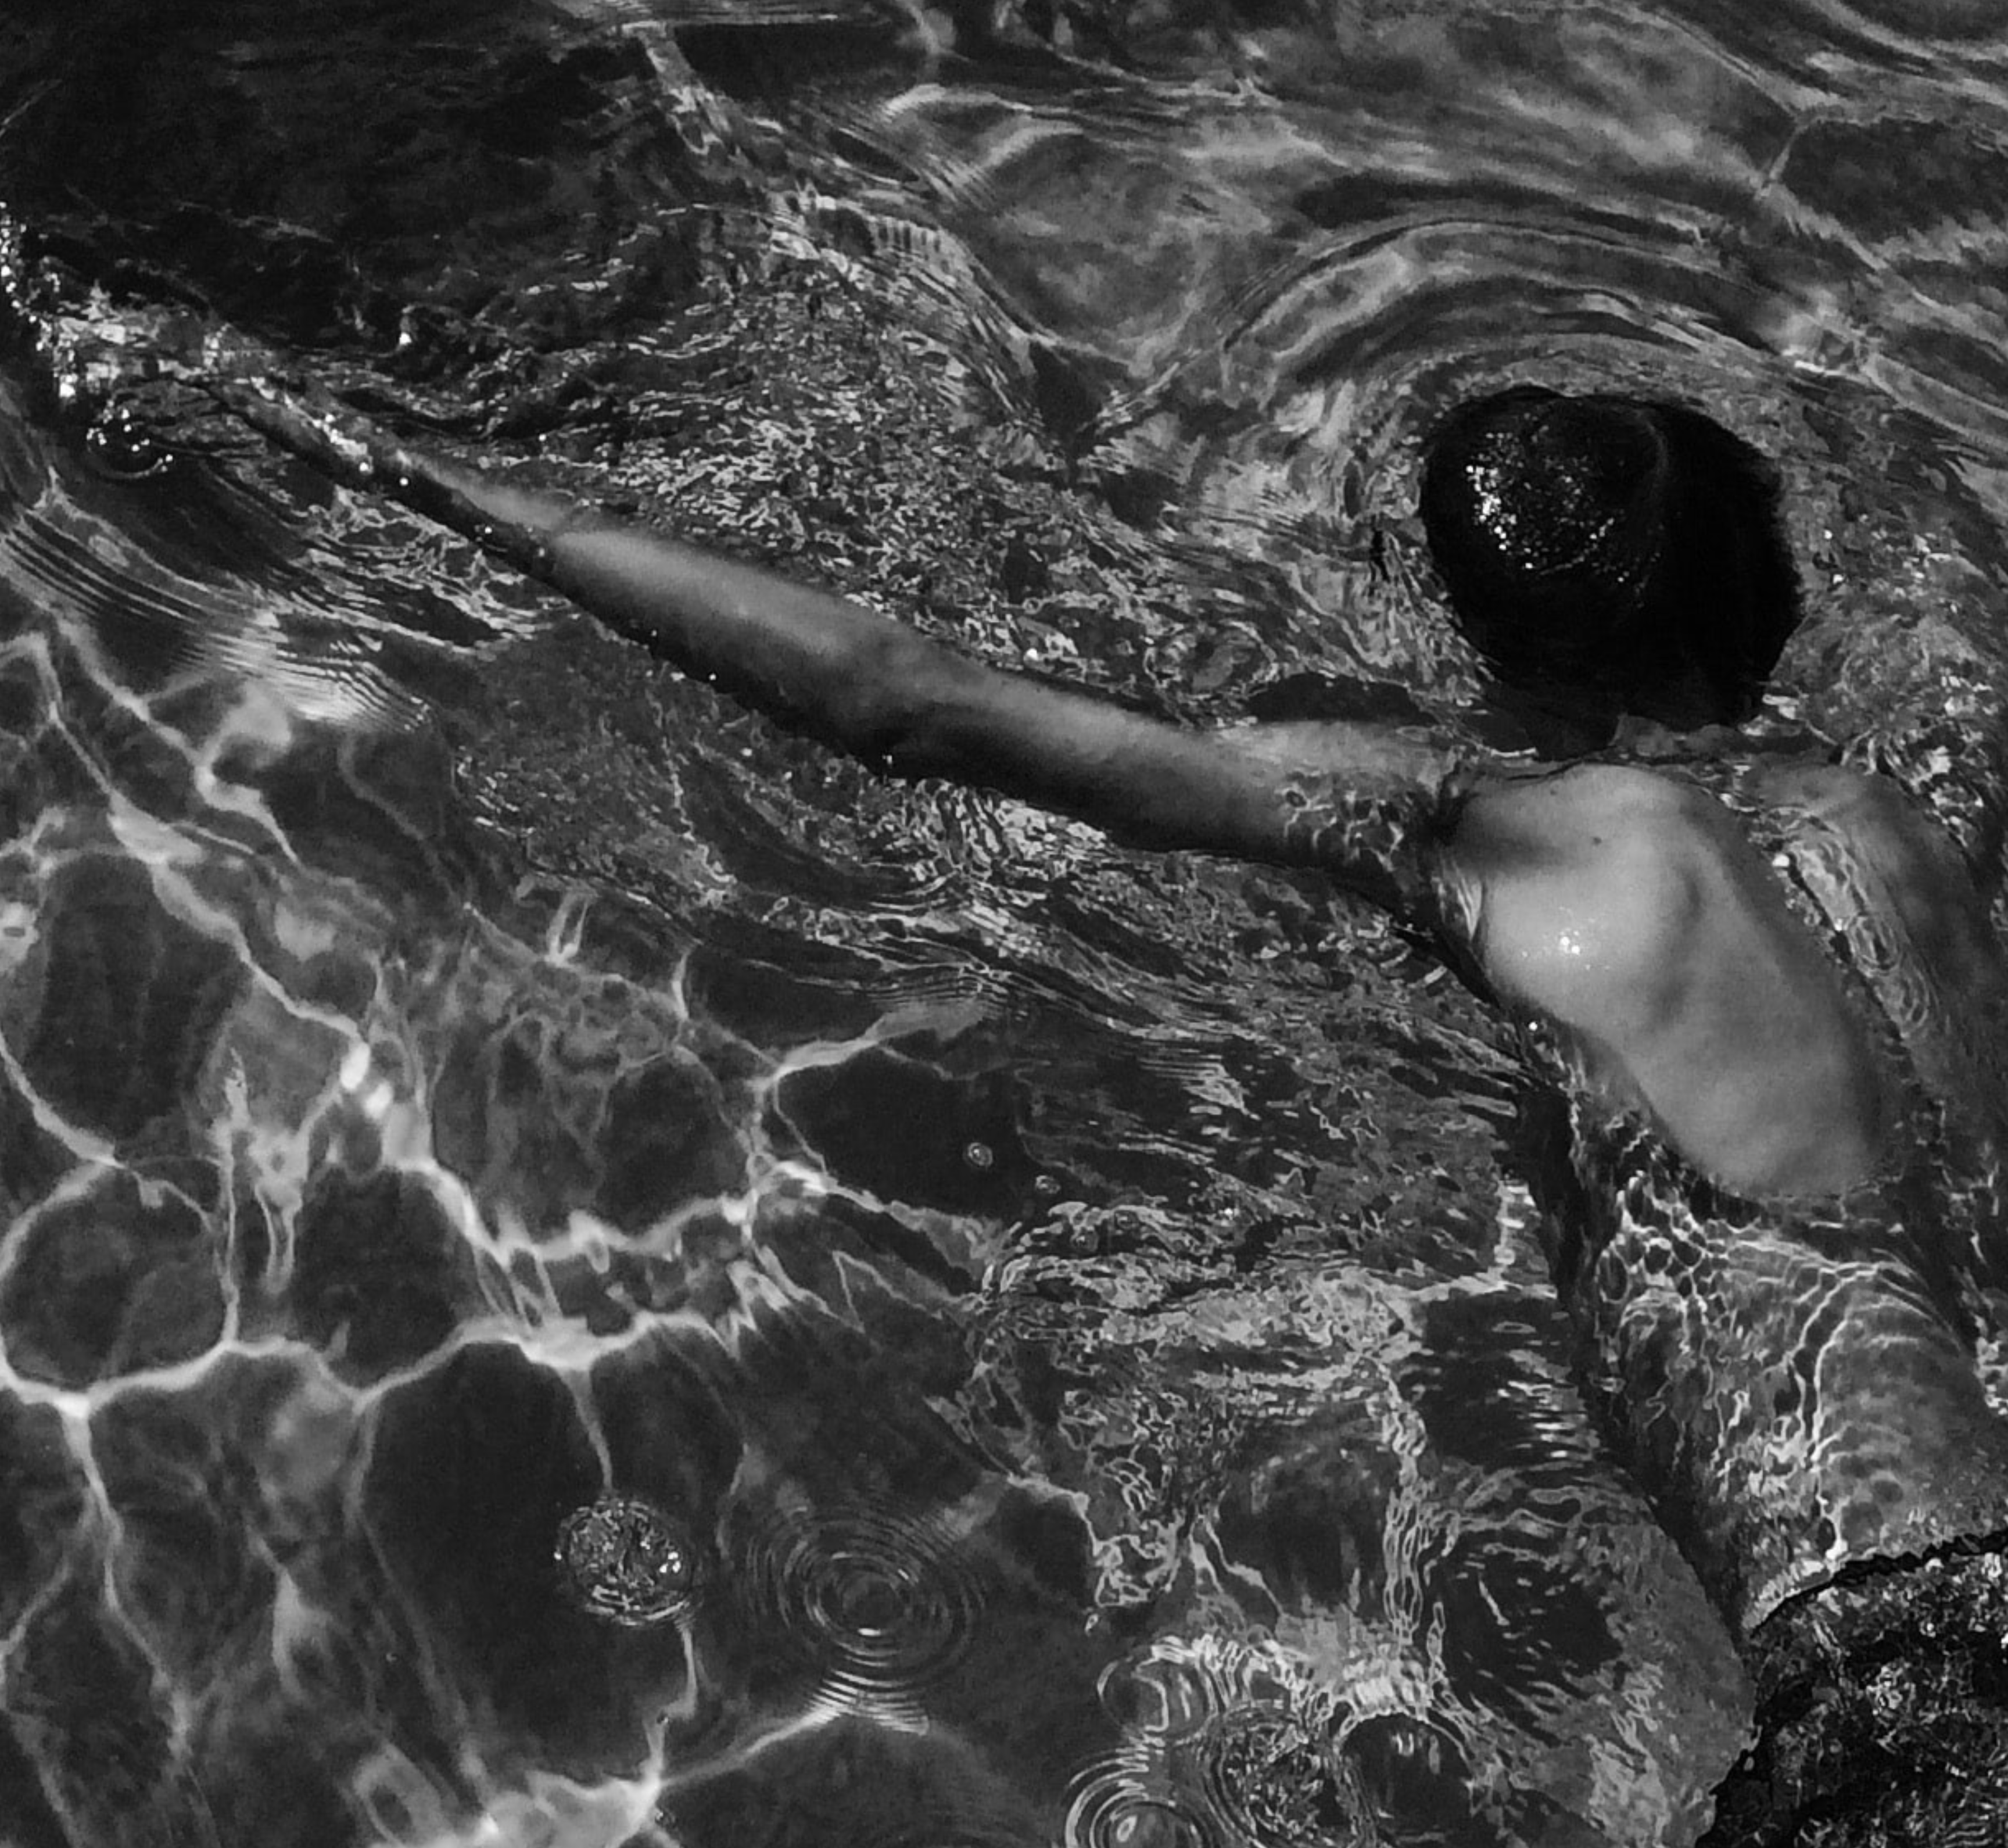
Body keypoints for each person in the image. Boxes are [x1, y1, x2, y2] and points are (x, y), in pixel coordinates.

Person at [164, 361, 2008, 1833]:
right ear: (1750, 593)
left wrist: (459, 491)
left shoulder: (1484, 834)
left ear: (1495, 647)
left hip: (1910, 1661)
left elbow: (916, 706)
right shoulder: (1903, 818)